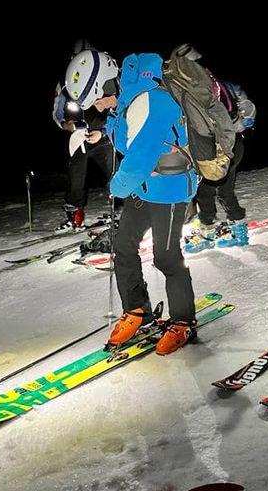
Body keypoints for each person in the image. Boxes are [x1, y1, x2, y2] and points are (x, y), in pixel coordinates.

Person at [65, 50, 200, 355]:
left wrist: (116, 186)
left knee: (167, 257)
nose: (98, 107)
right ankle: (138, 312)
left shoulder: (152, 99)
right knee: (124, 247)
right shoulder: (128, 97)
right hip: (146, 187)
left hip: (170, 189)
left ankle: (183, 321)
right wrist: (101, 132)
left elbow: (139, 159)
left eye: (97, 101)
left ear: (106, 86)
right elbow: (125, 128)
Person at [51, 40, 117, 231]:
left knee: (117, 173)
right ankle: (75, 215)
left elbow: (119, 109)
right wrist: (65, 124)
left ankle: (128, 211)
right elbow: (57, 111)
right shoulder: (65, 81)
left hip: (103, 136)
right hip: (78, 138)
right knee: (75, 178)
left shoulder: (108, 77)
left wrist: (104, 131)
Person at [185, 79, 256, 252]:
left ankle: (207, 235)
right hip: (234, 145)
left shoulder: (193, 91)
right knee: (225, 190)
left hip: (213, 148)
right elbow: (248, 113)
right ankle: (239, 230)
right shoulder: (225, 85)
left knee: (205, 191)